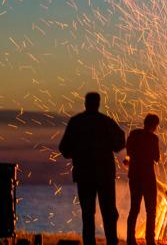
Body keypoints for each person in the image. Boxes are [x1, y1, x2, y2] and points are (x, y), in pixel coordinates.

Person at [58, 92, 126, 245]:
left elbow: (64, 149)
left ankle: (89, 243)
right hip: (105, 176)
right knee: (109, 213)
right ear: (98, 103)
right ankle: (112, 242)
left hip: (85, 176)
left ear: (85, 103)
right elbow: (120, 144)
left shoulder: (76, 122)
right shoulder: (106, 122)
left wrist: (78, 152)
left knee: (87, 215)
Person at [125, 113, 161, 245]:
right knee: (151, 209)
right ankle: (150, 239)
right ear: (154, 125)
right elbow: (156, 158)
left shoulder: (134, 134)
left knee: (134, 208)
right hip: (148, 178)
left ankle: (130, 239)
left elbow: (128, 152)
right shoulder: (153, 138)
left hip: (134, 176)